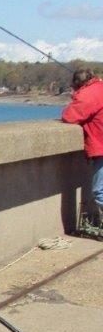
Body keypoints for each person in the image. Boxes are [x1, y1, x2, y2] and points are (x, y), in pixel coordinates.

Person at [61, 68, 103, 227]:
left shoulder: (89, 94)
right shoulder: (100, 87)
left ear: (77, 83)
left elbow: (70, 116)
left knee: (100, 193)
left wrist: (76, 95)